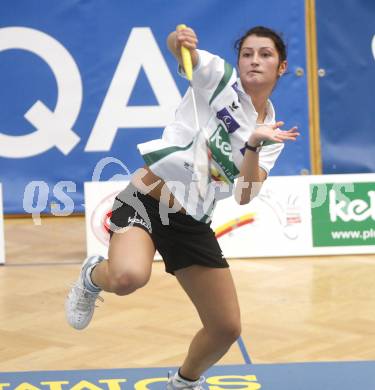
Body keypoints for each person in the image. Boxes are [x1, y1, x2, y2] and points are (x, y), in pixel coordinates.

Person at [65, 25, 299, 389]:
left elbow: (245, 194)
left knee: (226, 327)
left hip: (191, 221)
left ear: (281, 67)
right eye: (248, 53)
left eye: (265, 54)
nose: (255, 60)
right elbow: (178, 49)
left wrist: (253, 143)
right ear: (238, 60)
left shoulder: (272, 131)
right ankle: (92, 275)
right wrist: (180, 40)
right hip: (146, 198)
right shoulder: (218, 80)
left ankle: (184, 381)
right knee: (128, 277)